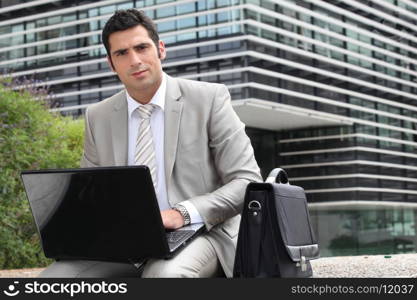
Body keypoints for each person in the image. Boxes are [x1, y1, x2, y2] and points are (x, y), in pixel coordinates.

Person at [39, 9, 262, 278]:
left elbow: (246, 181)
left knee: (163, 276)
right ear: (111, 64)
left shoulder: (210, 99)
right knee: (54, 280)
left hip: (203, 232)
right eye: (122, 53)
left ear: (160, 50)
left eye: (142, 47)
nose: (135, 60)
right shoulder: (97, 116)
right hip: (124, 240)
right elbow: (92, 194)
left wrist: (182, 213)